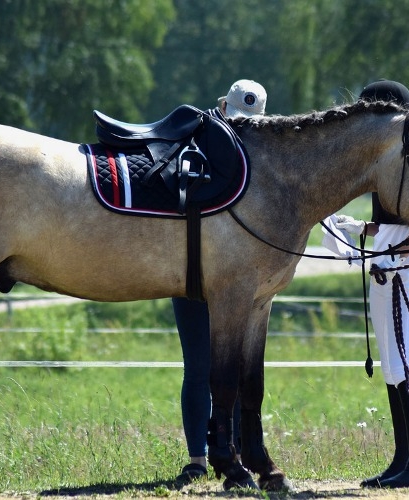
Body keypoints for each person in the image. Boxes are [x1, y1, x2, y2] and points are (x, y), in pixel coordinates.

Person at [325, 80, 409, 489]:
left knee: (406, 363)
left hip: (406, 260)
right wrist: (365, 229)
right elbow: (392, 222)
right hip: (390, 253)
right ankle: (402, 460)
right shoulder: (389, 160)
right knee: (392, 366)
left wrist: (397, 249)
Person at [173, 79, 267, 484]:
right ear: (223, 108)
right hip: (194, 274)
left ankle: (236, 452)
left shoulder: (265, 162)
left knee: (241, 369)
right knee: (198, 368)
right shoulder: (194, 146)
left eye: (250, 122)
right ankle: (196, 458)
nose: (240, 127)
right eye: (236, 118)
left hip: (239, 280)